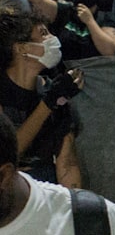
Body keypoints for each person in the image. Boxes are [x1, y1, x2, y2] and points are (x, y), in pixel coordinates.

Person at [0, 12, 83, 187]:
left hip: (44, 187)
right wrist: (49, 103)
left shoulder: (54, 89)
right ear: (21, 48)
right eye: (44, 34)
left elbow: (67, 164)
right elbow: (7, 154)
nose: (53, 39)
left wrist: (76, 206)